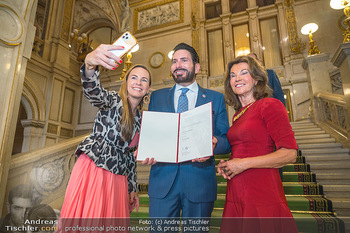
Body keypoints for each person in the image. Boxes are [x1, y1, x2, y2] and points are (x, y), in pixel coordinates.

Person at [58, 44, 151, 224]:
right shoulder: (113, 100)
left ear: (148, 89)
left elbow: (130, 157)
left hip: (119, 178)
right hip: (95, 169)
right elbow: (94, 92)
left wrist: (132, 187)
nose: (138, 82)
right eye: (134, 77)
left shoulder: (142, 119)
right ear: (126, 82)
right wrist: (90, 66)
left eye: (144, 80)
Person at [143, 43, 230, 232]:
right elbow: (152, 134)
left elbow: (226, 139)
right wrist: (147, 149)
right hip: (162, 183)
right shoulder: (156, 97)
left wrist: (215, 144)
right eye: (174, 61)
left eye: (184, 60)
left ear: (196, 67)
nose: (177, 65)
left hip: (200, 182)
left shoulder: (215, 98)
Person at [218, 56, 299, 233]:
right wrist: (228, 164)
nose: (237, 78)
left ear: (256, 79)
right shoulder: (237, 115)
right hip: (236, 190)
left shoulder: (270, 105)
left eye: (243, 73)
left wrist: (243, 163)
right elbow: (244, 148)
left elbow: (290, 154)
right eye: (232, 75)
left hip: (261, 191)